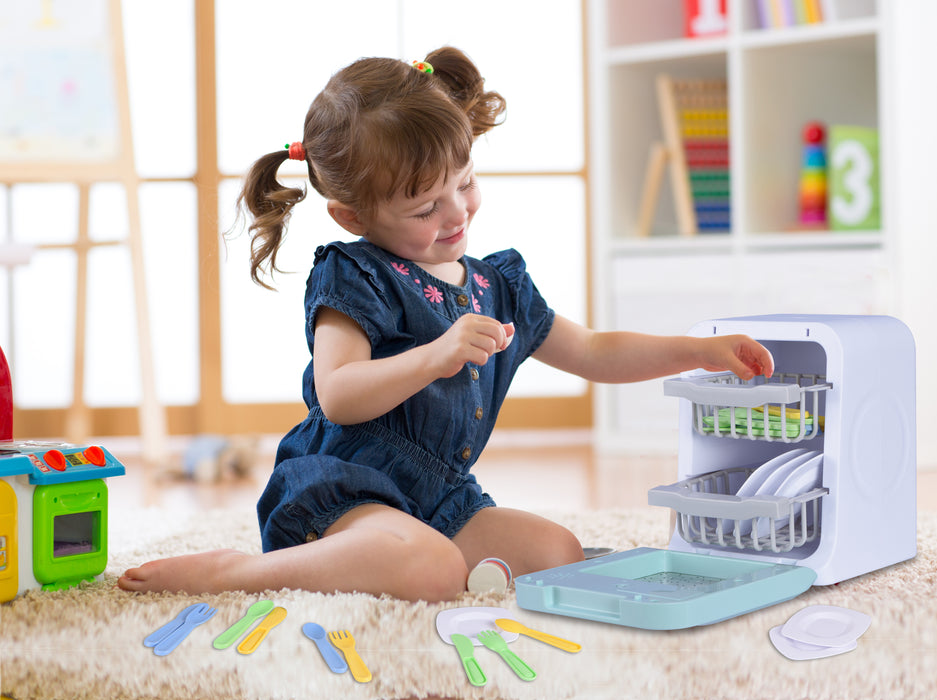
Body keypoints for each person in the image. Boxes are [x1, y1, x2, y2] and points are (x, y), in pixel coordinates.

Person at [118, 47, 774, 602]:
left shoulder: (498, 284)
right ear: (352, 215)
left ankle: (421, 564)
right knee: (428, 567)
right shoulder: (354, 275)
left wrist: (698, 350)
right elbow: (338, 394)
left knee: (556, 549)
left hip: (439, 498)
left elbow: (595, 350)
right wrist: (434, 356)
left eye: (465, 182)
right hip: (341, 495)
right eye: (425, 206)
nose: (456, 212)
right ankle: (245, 573)